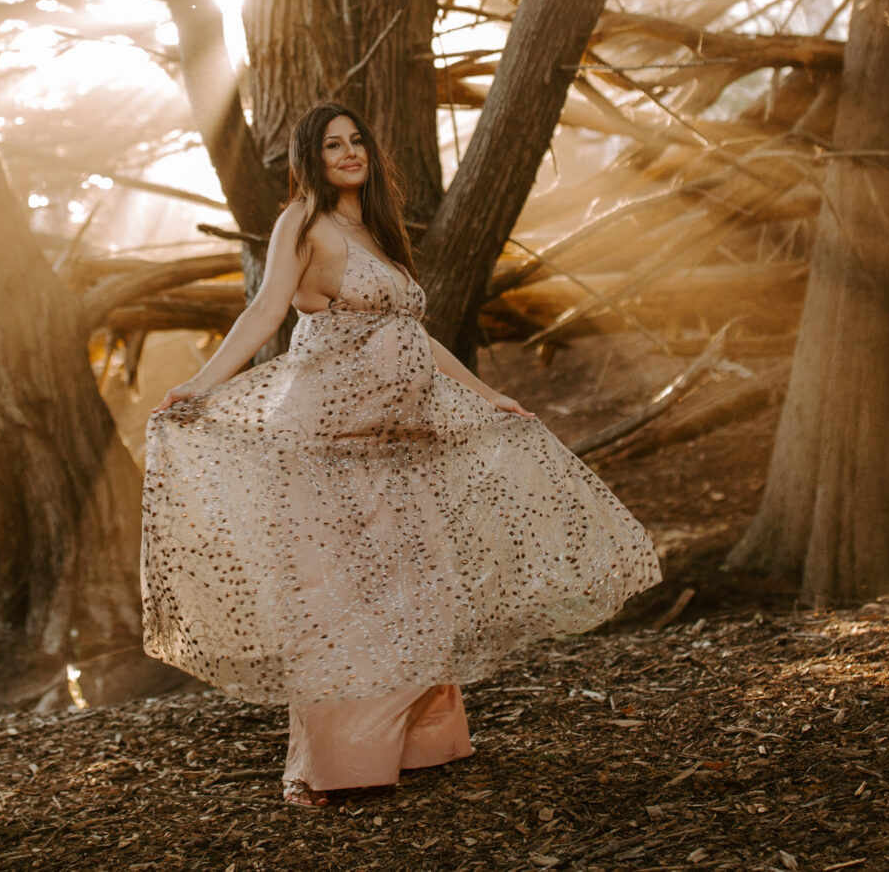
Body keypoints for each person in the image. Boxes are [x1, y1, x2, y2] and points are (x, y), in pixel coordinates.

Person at [142, 101, 663, 807]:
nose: (350, 151)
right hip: (324, 445)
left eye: (358, 139)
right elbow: (264, 312)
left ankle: (421, 743)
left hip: (396, 447)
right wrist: (202, 383)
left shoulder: (374, 231)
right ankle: (331, 766)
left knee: (417, 590)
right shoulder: (303, 220)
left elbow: (413, 334)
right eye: (333, 144)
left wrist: (484, 393)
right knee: (337, 603)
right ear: (310, 157)